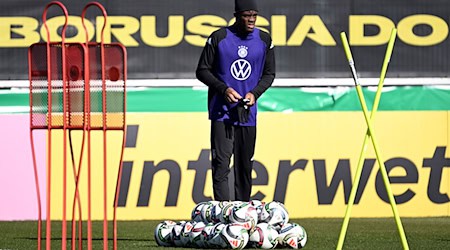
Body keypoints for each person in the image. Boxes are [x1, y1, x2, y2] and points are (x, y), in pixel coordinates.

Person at [196, 0, 275, 201]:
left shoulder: (265, 40)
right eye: (247, 15)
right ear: (237, 15)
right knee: (221, 165)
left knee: (245, 166)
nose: (251, 20)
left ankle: (241, 214)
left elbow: (269, 74)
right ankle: (223, 213)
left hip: (247, 114)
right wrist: (223, 89)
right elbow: (202, 71)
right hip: (222, 113)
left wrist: (254, 94)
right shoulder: (219, 38)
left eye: (254, 15)